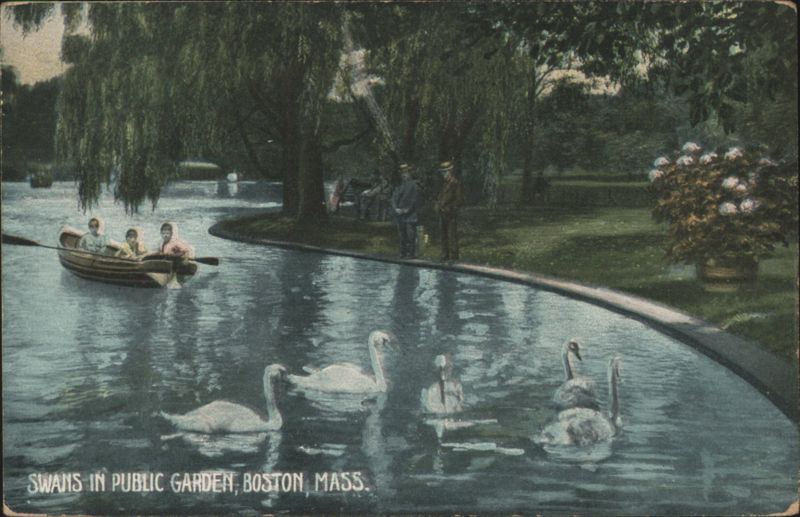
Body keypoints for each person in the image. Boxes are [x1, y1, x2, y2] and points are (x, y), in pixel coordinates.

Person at [435, 161, 464, 261]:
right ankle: (445, 255)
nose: (444, 174)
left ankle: (454, 256)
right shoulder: (444, 184)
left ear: (450, 172)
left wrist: (449, 208)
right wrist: (438, 205)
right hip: (442, 213)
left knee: (452, 235)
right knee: (443, 235)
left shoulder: (455, 183)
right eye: (442, 172)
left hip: (450, 214)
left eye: (445, 172)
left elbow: (458, 200)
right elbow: (440, 197)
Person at [391, 163, 419, 259]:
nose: (404, 175)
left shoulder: (413, 185)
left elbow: (414, 200)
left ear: (409, 174)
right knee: (402, 236)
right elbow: (393, 198)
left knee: (410, 235)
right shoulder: (399, 186)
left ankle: (411, 254)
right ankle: (403, 253)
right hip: (400, 215)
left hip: (410, 215)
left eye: (406, 173)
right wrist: (395, 208)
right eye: (402, 173)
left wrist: (406, 210)